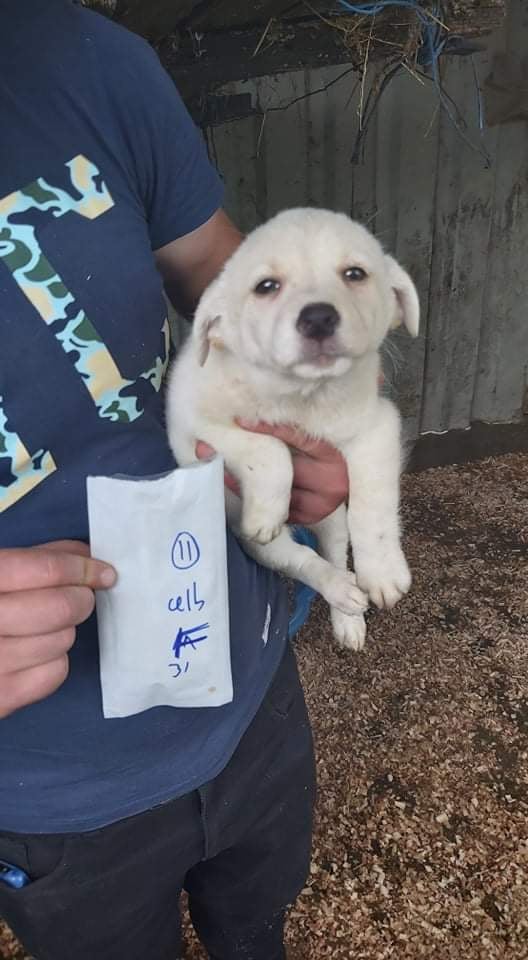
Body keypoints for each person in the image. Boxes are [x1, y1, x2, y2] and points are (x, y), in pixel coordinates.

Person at [0, 2, 349, 958]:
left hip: (248, 671)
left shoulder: (73, 53)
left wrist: (291, 398)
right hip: (54, 795)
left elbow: (210, 263)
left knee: (259, 920)